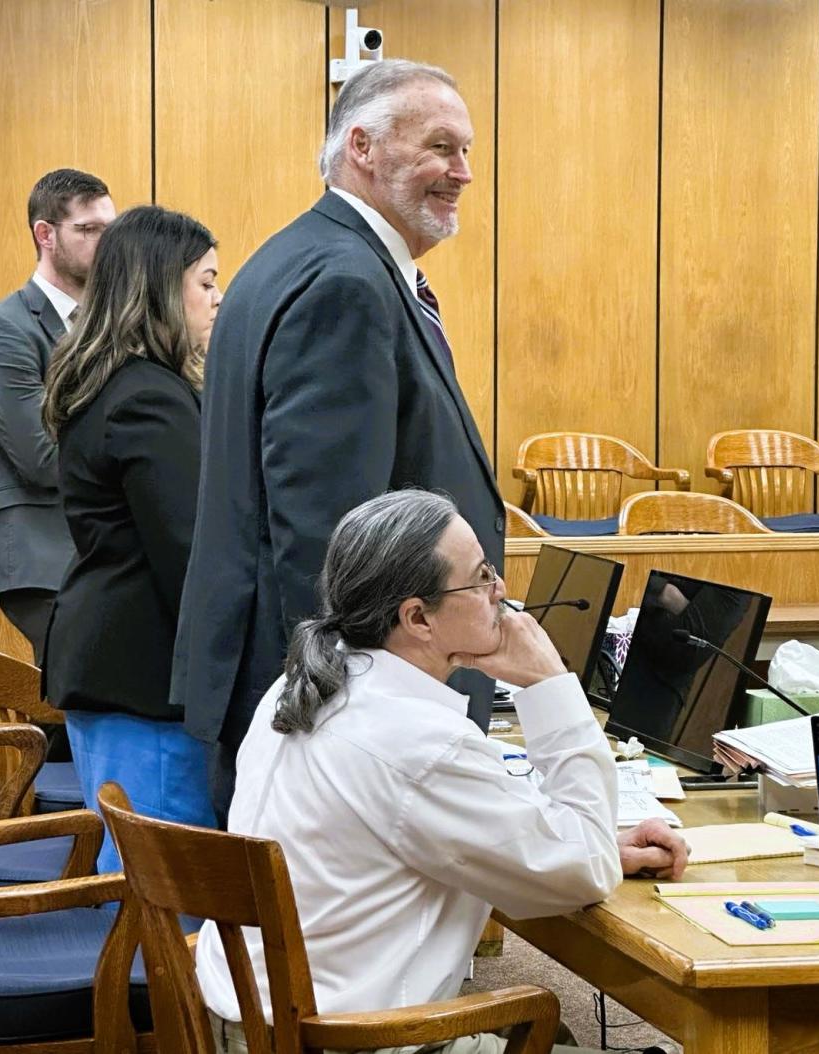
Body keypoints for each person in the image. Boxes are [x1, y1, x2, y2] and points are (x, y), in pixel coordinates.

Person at [196, 489, 688, 1054]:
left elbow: (429, 825)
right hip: (348, 1039)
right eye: (481, 578)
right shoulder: (420, 742)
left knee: (556, 1033)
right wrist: (550, 682)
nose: (500, 592)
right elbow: (585, 875)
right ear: (418, 618)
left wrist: (588, 841)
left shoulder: (302, 686)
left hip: (253, 1024)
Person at [173, 59, 506, 818]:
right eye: (441, 147)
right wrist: (356, 709)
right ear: (362, 146)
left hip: (289, 679)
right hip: (333, 707)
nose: (463, 172)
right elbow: (329, 532)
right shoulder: (345, 282)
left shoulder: (297, 257)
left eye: (467, 151)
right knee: (326, 933)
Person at [41, 204, 223, 871]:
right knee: (169, 905)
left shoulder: (113, 381)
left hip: (116, 668)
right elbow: (193, 555)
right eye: (205, 281)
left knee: (139, 893)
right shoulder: (150, 395)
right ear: (159, 286)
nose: (216, 296)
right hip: (148, 680)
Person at [0, 168, 116, 664]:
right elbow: (42, 458)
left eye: (109, 230)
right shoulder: (3, 332)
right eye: (89, 230)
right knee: (91, 688)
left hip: (99, 549)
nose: (105, 243)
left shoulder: (110, 323)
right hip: (42, 555)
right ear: (45, 235)